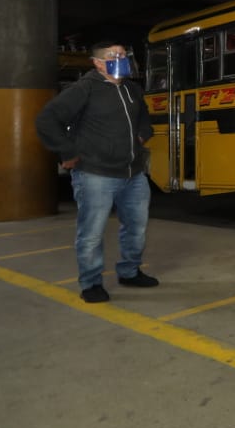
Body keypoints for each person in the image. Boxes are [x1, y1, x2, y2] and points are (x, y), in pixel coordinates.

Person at [35, 41, 157, 303]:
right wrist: (66, 152)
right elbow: (47, 119)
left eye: (125, 54)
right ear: (98, 63)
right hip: (95, 174)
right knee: (91, 233)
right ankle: (91, 283)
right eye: (115, 55)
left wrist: (142, 134)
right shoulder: (84, 89)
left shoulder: (132, 89)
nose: (122, 58)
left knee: (136, 228)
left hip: (133, 174)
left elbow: (144, 117)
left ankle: (130, 271)